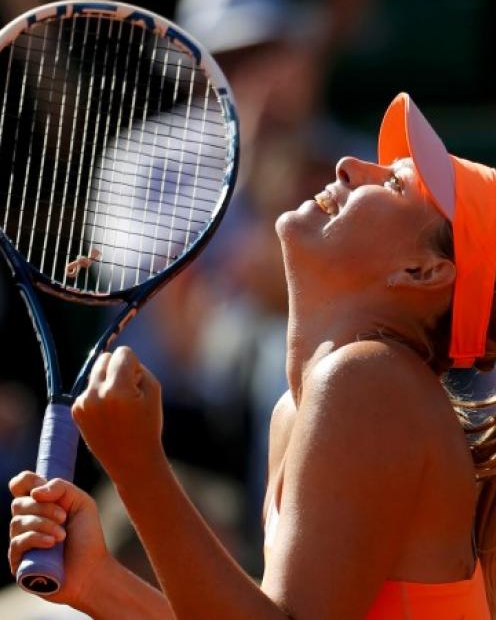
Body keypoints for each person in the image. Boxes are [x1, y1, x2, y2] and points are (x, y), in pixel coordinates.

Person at [8, 92, 496, 618]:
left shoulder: (368, 381)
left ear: (422, 273)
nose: (351, 166)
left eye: (396, 184)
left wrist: (138, 468)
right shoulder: (309, 404)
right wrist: (98, 583)